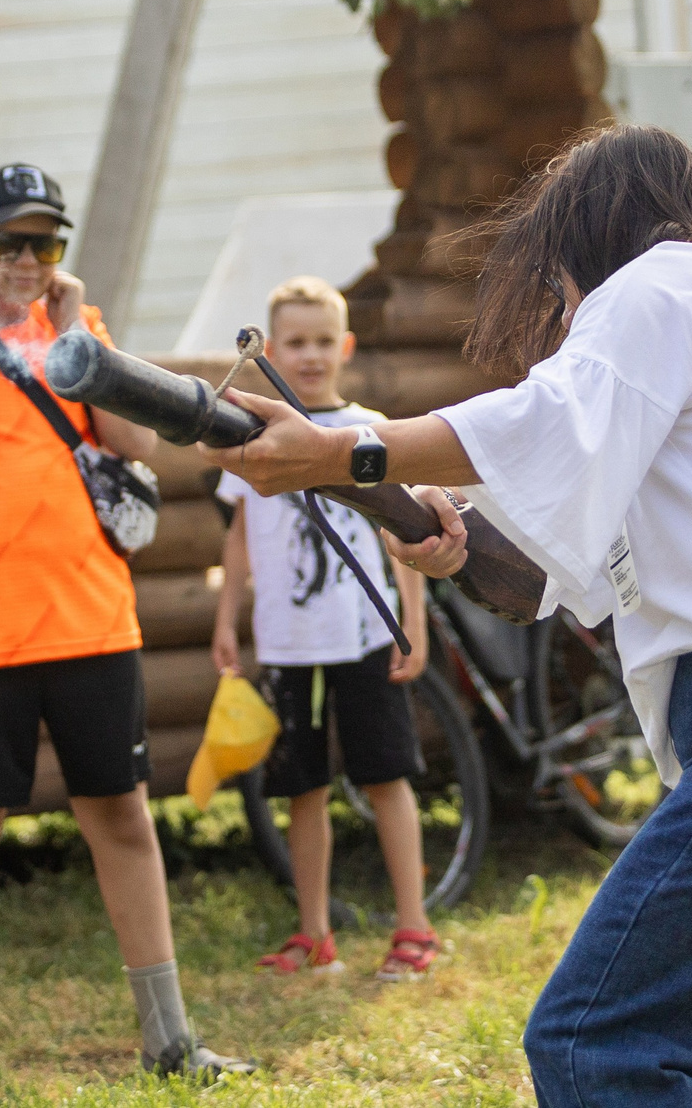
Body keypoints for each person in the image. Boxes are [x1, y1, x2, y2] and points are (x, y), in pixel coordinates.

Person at [198, 126, 692, 1107]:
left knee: (596, 1046)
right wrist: (449, 541)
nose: (565, 321)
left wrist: (340, 454)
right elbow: (542, 584)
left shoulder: (661, 285)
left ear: (589, 245)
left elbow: (540, 419)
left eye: (560, 295)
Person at [0, 162, 252, 1099]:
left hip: (91, 622)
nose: (24, 260)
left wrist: (80, 334)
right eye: (5, 242)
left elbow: (132, 442)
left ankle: (171, 1038)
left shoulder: (76, 331)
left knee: (123, 818)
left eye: (43, 243)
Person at [208, 276, 438, 981]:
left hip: (362, 635)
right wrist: (228, 617)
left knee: (385, 775)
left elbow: (400, 529)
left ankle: (415, 928)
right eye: (295, 342)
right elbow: (242, 533)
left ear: (346, 346)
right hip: (286, 643)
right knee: (300, 786)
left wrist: (413, 617)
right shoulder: (252, 439)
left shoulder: (368, 429)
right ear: (272, 349)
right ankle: (314, 932)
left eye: (321, 341)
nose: (309, 356)